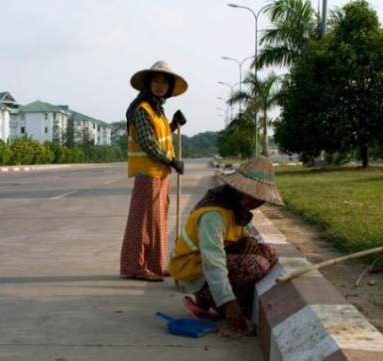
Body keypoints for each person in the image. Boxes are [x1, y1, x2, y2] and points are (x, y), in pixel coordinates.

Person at [168, 156, 284, 334]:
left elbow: (236, 234)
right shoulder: (213, 216)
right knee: (255, 265)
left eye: (259, 198)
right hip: (193, 269)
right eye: (251, 195)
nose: (255, 202)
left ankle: (213, 298)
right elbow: (213, 261)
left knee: (268, 252)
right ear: (238, 190)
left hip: (215, 258)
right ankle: (209, 299)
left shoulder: (237, 209)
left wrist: (248, 240)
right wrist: (229, 302)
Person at [120, 60, 188, 282]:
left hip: (160, 173)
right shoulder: (142, 110)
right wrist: (172, 161)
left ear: (168, 88)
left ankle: (155, 265)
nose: (160, 85)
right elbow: (148, 143)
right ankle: (135, 266)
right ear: (148, 85)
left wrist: (173, 125)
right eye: (156, 81)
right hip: (147, 173)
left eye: (164, 82)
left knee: (157, 221)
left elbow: (159, 136)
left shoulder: (158, 111)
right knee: (143, 222)